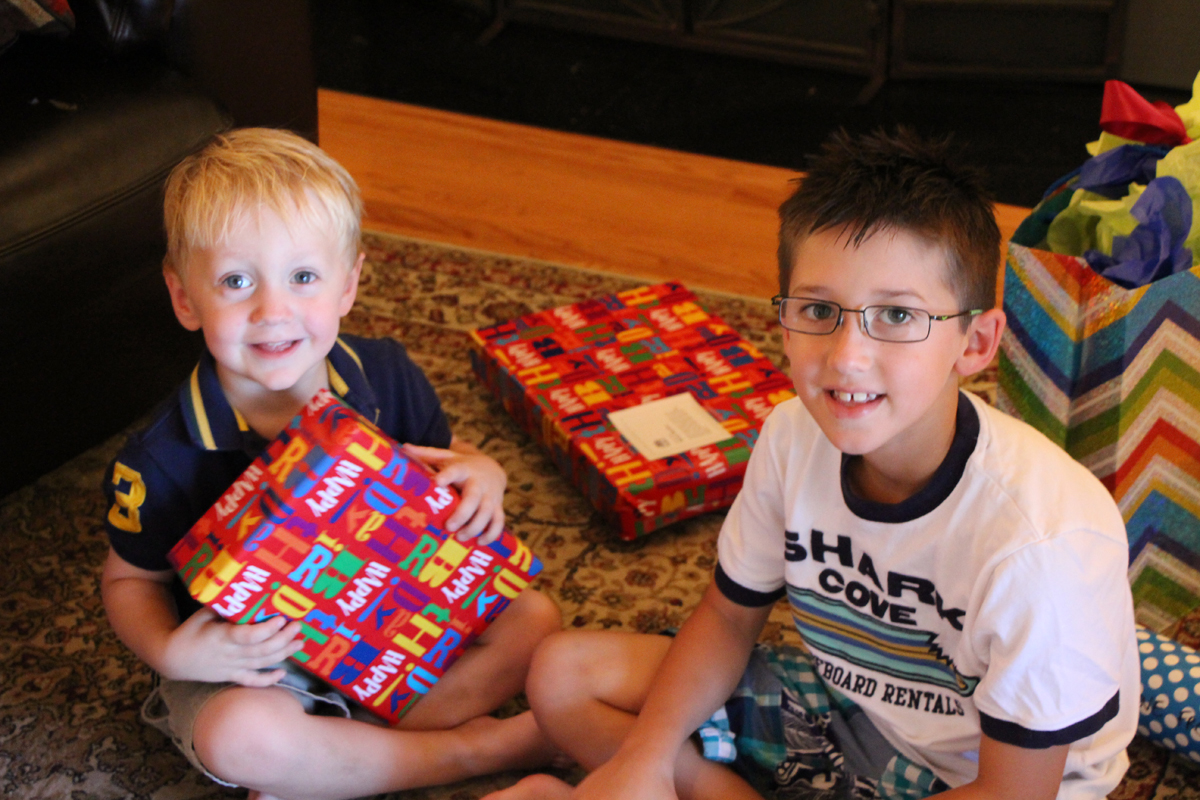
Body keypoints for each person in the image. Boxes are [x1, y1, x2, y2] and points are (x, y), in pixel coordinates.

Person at [488, 128, 1139, 800]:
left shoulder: (1038, 545)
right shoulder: (792, 436)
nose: (847, 356)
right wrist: (644, 760)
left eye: (897, 315)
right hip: (854, 717)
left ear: (974, 342)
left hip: (983, 777)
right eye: (819, 310)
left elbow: (1014, 794)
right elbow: (728, 617)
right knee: (563, 676)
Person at [99, 128, 562, 800]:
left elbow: (444, 461)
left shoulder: (388, 374)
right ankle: (473, 749)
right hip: (256, 663)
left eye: (303, 277)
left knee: (534, 621)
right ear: (184, 298)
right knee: (240, 737)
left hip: (390, 617)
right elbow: (128, 581)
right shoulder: (160, 459)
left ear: (348, 285)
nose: (273, 311)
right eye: (236, 281)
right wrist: (173, 652)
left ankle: (336, 761)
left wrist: (484, 471)